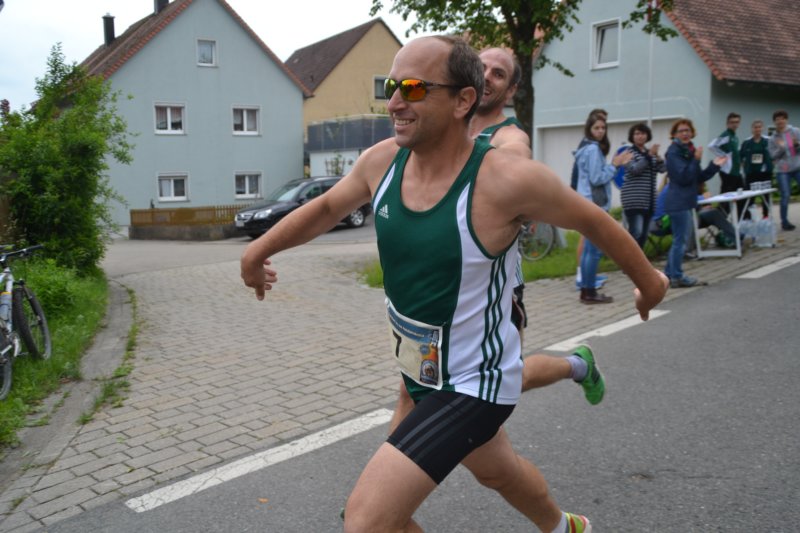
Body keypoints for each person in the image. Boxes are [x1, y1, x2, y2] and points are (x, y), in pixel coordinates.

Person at [241, 36, 668, 533]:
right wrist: (256, 252)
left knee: (367, 522)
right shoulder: (381, 162)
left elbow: (593, 220)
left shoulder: (505, 180)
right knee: (498, 473)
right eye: (391, 87)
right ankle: (565, 527)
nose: (395, 102)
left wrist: (649, 283)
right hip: (419, 370)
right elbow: (327, 208)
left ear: (464, 99)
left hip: (474, 383)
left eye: (413, 88)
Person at [388, 46, 609, 443]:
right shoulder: (441, 125)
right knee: (414, 385)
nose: (488, 75)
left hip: (493, 285)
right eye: (483, 67)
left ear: (510, 91)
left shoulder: (508, 136)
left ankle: (578, 365)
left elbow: (514, 162)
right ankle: (390, 479)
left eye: (499, 73)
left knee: (505, 381)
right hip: (442, 282)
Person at [574, 115, 633, 303]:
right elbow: (596, 178)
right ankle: (589, 292)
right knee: (593, 251)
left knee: (588, 250)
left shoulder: (586, 147)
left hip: (586, 203)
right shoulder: (593, 149)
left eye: (603, 128)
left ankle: (586, 290)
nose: (600, 131)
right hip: (595, 205)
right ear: (589, 129)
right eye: (596, 128)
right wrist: (614, 165)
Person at [663, 118, 727, 288]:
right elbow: (683, 177)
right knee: (681, 241)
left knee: (680, 240)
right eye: (681, 131)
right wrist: (696, 160)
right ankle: (676, 276)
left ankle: (669, 275)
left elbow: (697, 178)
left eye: (687, 130)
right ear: (674, 134)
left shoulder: (688, 151)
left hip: (685, 201)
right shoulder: (674, 152)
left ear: (692, 133)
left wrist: (714, 166)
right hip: (678, 202)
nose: (685, 133)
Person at [621, 122, 665, 249]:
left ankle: (638, 260)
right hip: (634, 200)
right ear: (632, 136)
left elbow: (663, 169)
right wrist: (649, 155)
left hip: (649, 201)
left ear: (647, 135)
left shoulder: (649, 153)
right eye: (637, 134)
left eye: (643, 133)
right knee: (636, 233)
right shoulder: (629, 153)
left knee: (644, 235)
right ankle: (629, 260)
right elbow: (635, 169)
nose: (640, 136)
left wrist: (658, 157)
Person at [768, 109, 800, 230]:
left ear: (786, 120)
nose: (780, 121)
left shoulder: (795, 131)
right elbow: (772, 156)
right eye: (777, 119)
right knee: (785, 195)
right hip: (783, 170)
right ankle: (784, 222)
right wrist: (781, 148)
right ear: (774, 122)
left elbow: (797, 149)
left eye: (782, 118)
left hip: (797, 167)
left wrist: (797, 145)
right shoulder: (773, 138)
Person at [740, 119, 773, 219]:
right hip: (751, 173)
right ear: (752, 129)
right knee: (750, 196)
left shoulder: (768, 141)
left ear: (762, 128)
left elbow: (774, 154)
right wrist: (743, 167)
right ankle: (749, 217)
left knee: (766, 195)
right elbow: (741, 157)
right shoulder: (746, 142)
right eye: (755, 127)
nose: (757, 129)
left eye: (759, 127)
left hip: (765, 173)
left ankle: (766, 216)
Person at [715, 113, 744, 215]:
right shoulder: (726, 135)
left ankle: (741, 219)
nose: (734, 124)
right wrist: (723, 156)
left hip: (736, 171)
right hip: (727, 172)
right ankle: (719, 219)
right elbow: (712, 146)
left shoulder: (734, 137)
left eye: (736, 122)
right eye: (732, 122)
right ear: (727, 124)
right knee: (726, 198)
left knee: (741, 194)